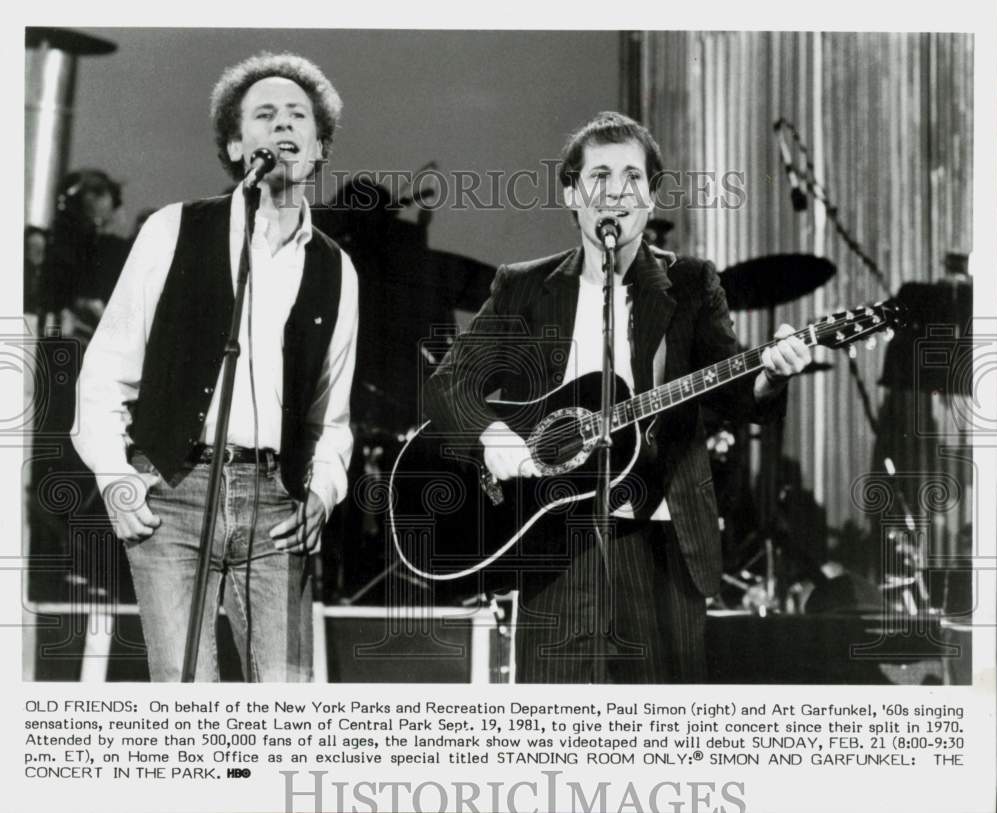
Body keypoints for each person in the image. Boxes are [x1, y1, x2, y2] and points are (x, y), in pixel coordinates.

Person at [423, 112, 811, 683]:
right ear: (571, 194)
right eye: (598, 176)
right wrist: (495, 435)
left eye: (632, 177)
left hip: (661, 544)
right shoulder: (525, 286)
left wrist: (771, 374)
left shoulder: (691, 284)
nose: (615, 192)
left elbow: (737, 397)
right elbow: (449, 383)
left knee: (665, 742)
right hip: (553, 545)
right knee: (553, 738)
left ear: (651, 198)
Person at [72, 52, 359, 682]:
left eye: (298, 116)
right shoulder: (173, 230)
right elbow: (106, 370)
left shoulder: (338, 269)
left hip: (275, 503)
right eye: (264, 115)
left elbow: (330, 414)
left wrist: (323, 491)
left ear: (318, 148)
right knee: (189, 704)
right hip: (172, 494)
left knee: (286, 707)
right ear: (235, 145)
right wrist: (116, 478)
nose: (283, 125)